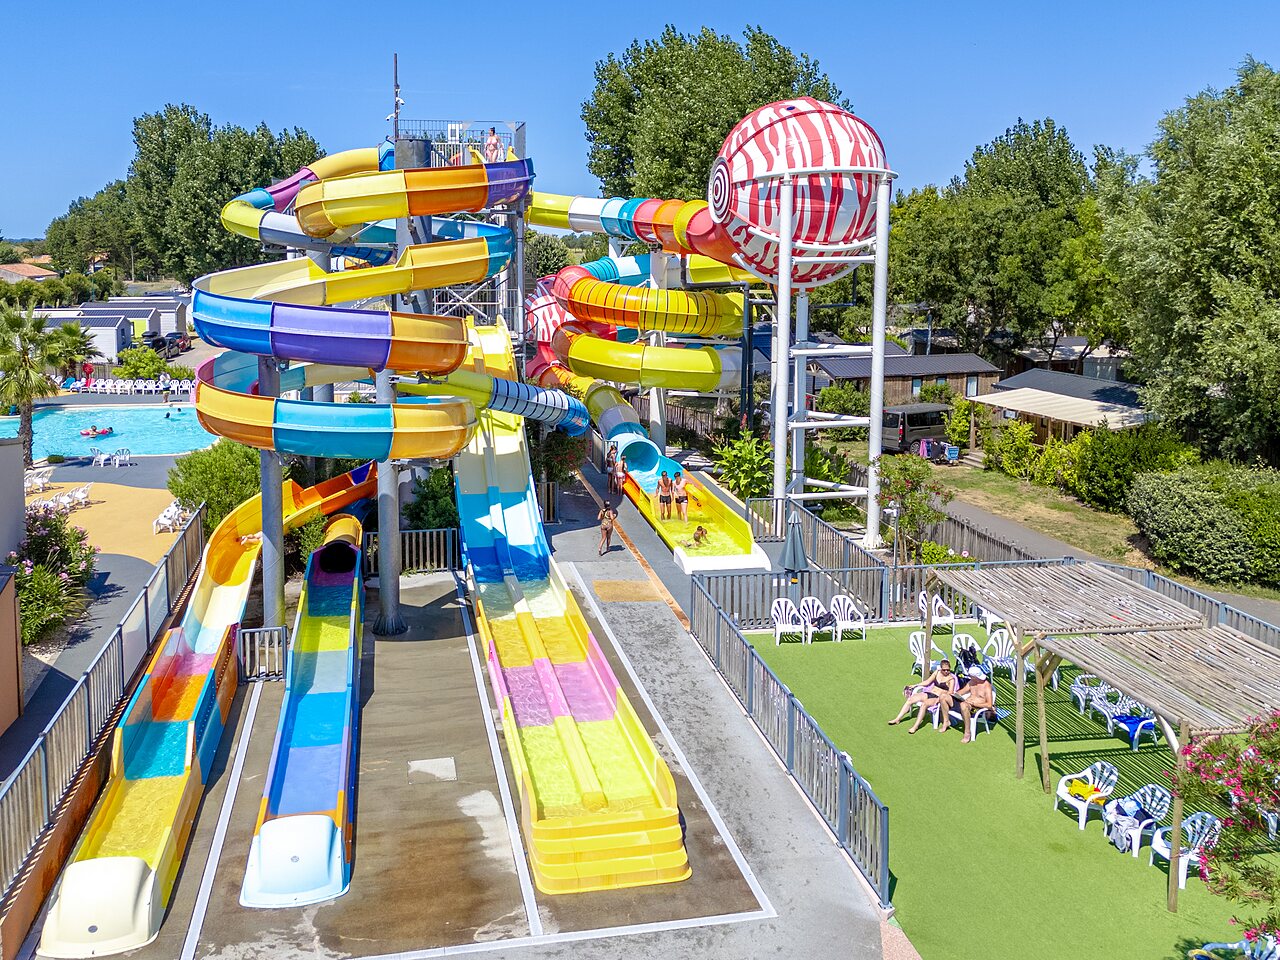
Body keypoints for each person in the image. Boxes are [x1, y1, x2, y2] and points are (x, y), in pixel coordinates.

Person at [892, 659, 958, 730]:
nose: (946, 671)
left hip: (937, 697)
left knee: (924, 704)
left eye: (948, 670)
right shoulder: (937, 673)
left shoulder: (951, 679)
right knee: (910, 699)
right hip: (929, 693)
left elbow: (950, 692)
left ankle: (915, 726)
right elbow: (927, 682)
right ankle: (897, 719)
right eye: (944, 670)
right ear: (941, 668)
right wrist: (915, 685)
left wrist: (941, 698)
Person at [956, 667, 996, 744]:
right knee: (945, 697)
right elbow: (961, 692)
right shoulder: (971, 683)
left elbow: (989, 704)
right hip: (967, 703)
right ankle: (949, 721)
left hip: (977, 708)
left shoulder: (986, 686)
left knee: (963, 705)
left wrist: (974, 704)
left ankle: (967, 732)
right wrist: (955, 694)